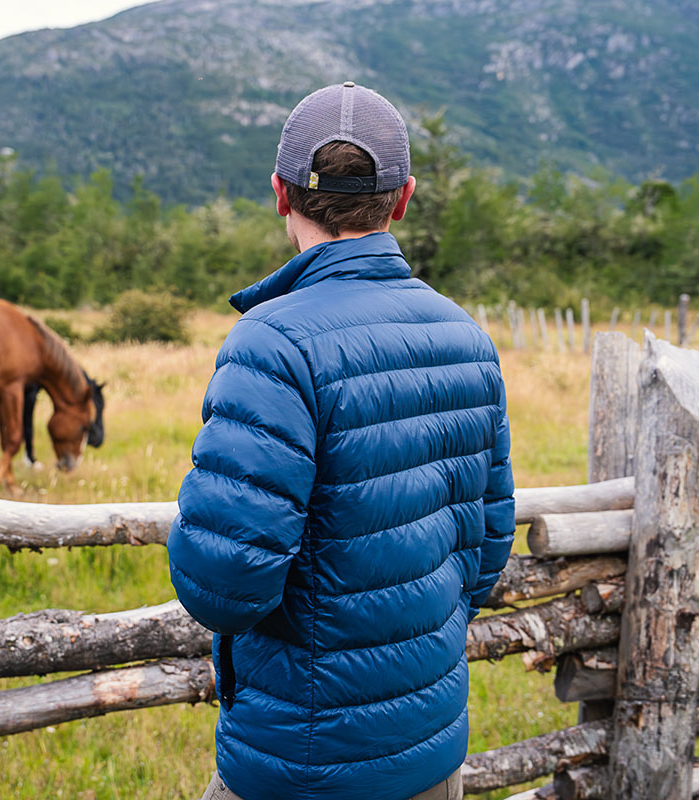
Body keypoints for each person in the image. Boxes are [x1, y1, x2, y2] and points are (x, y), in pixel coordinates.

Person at [167, 82, 515, 800]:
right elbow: (485, 551)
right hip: (431, 751)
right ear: (404, 197)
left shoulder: (272, 340)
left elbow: (225, 585)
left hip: (302, 763)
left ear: (280, 194)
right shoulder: (466, 336)